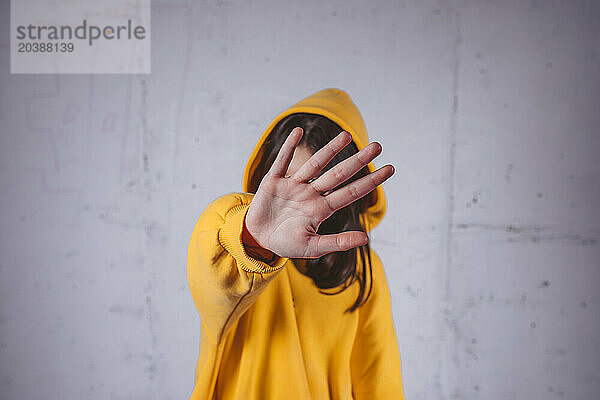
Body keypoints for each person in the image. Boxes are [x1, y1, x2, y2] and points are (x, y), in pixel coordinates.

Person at [187, 88, 405, 399]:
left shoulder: (362, 271)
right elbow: (212, 268)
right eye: (288, 183)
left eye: (316, 186)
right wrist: (253, 241)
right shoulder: (238, 258)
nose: (295, 204)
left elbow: (379, 383)